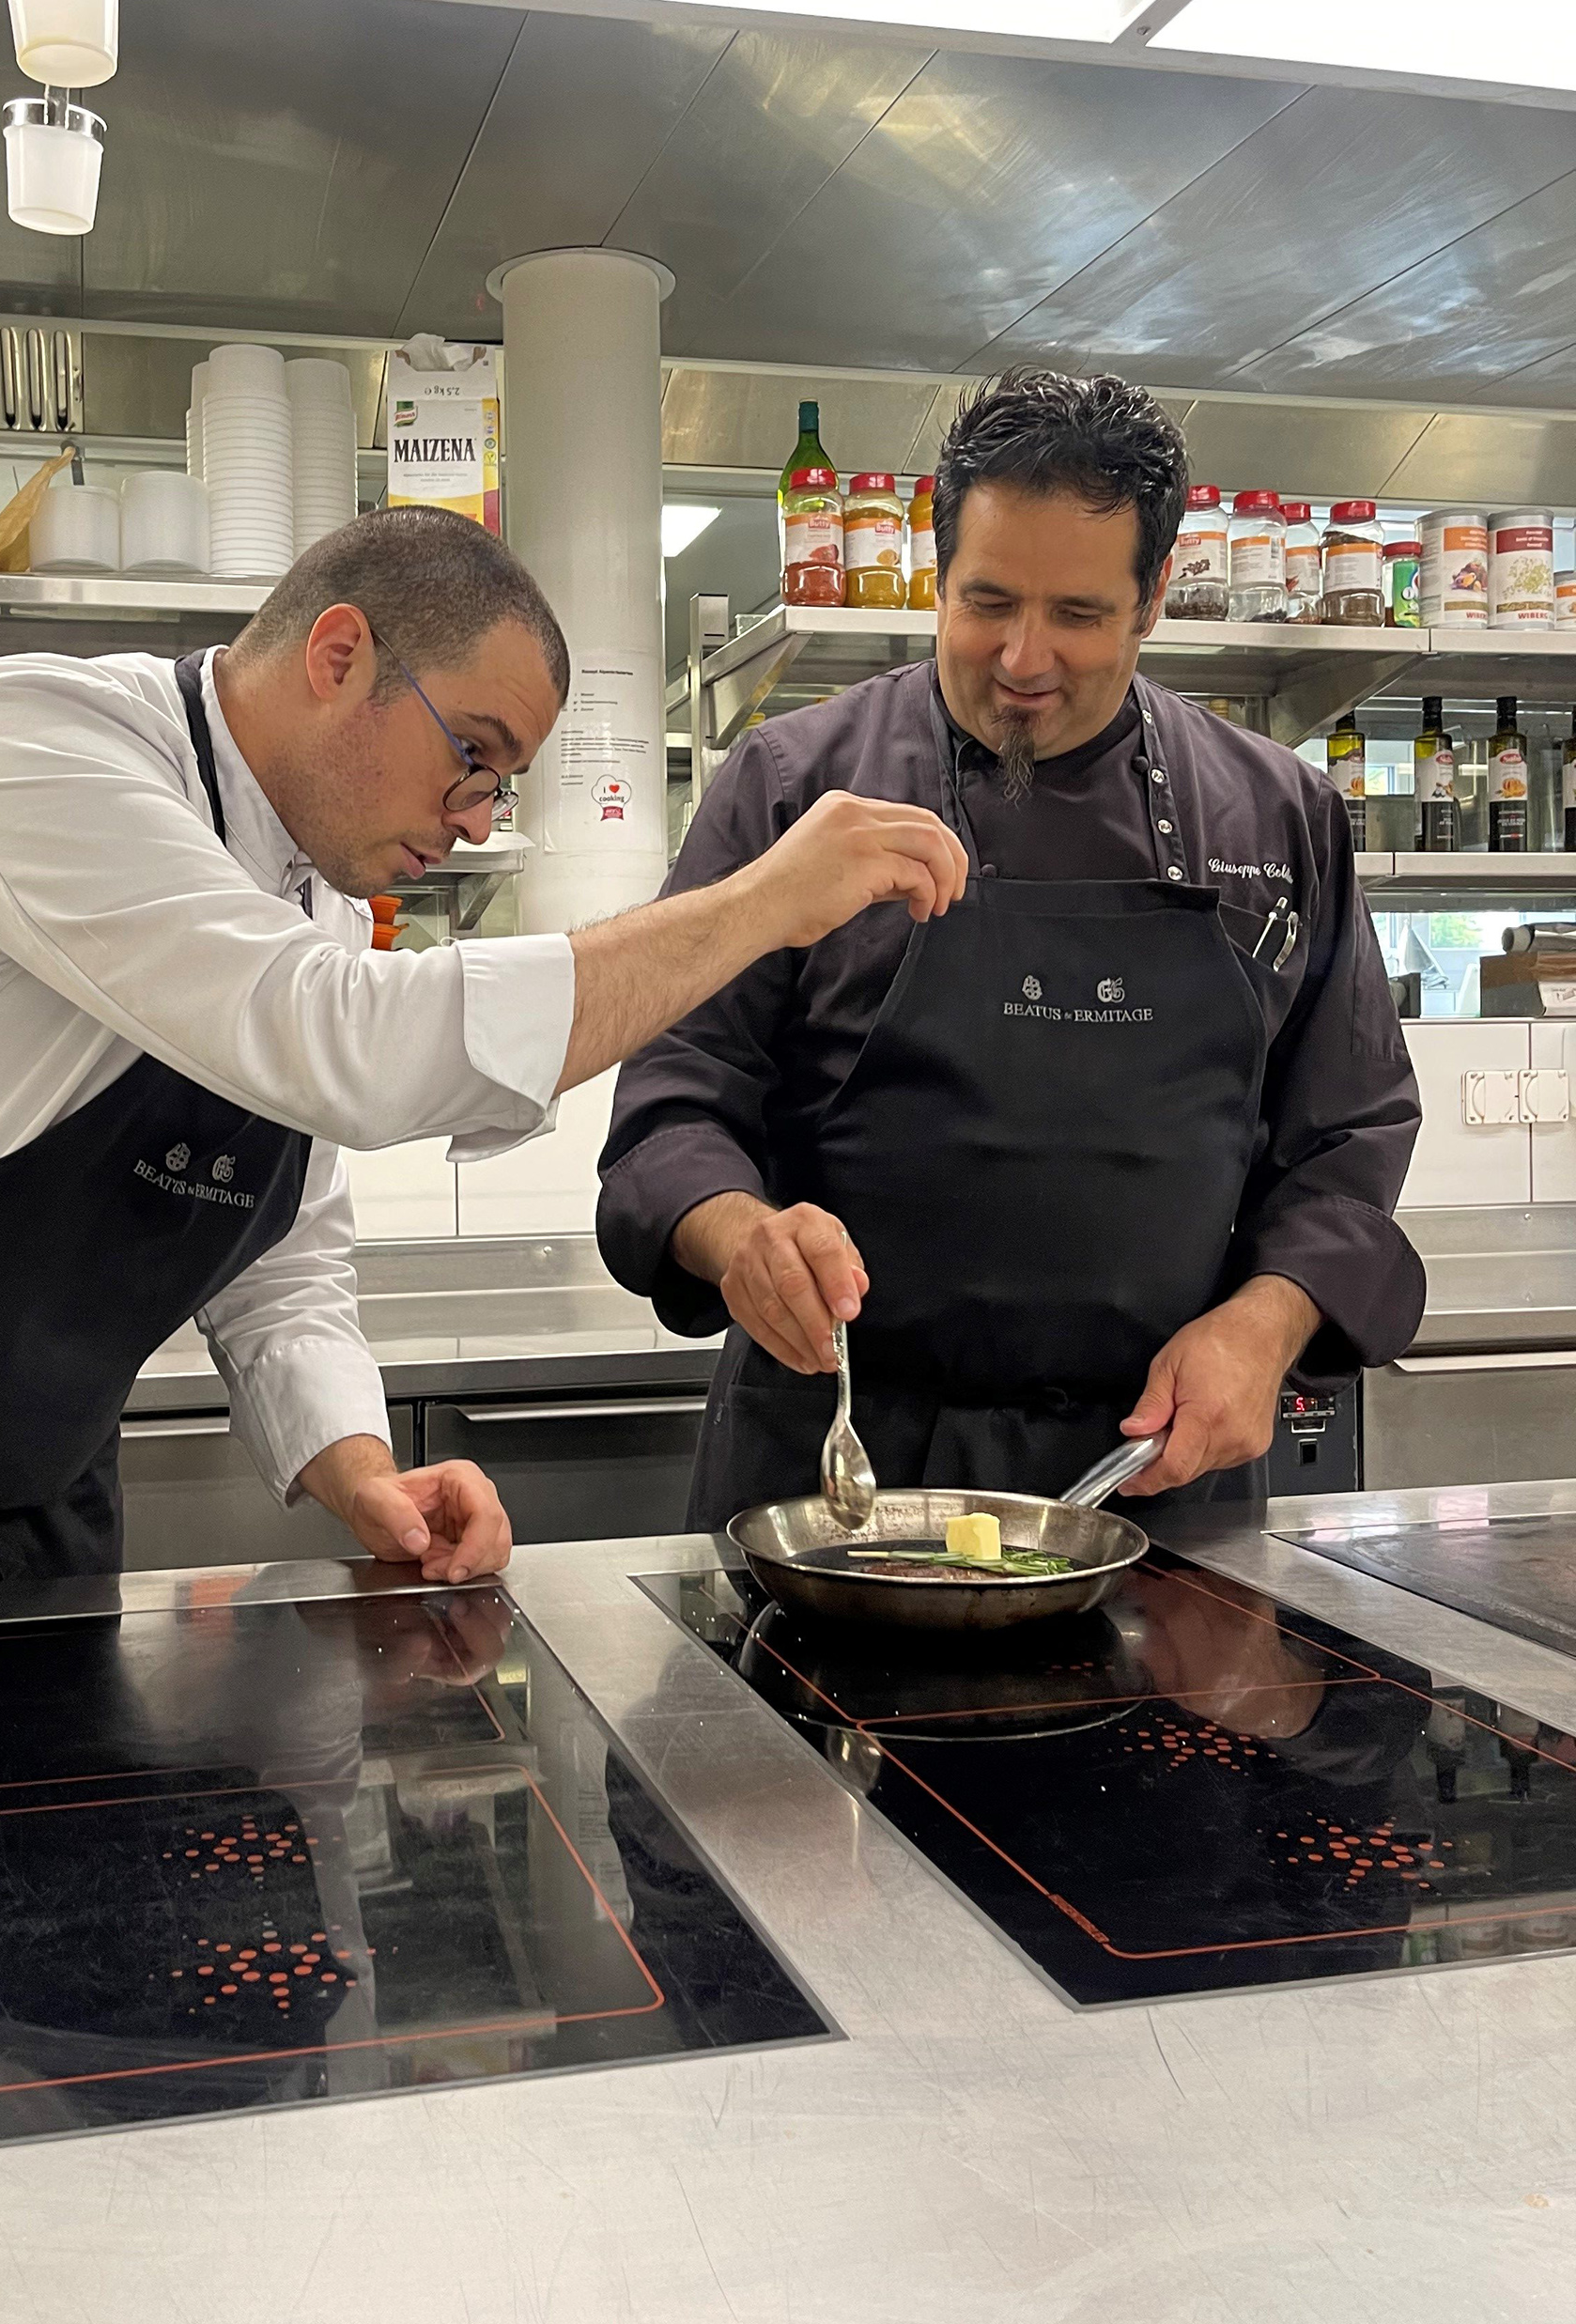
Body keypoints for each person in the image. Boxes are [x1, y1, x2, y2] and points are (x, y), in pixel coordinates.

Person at [0, 505, 966, 1612]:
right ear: (340, 655)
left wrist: (359, 1471)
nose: (473, 814)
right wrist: (761, 901)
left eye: (501, 783)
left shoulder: (310, 896)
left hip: (17, 1520)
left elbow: (280, 1263)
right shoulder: (29, 744)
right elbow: (345, 1049)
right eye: (472, 754)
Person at [596, 371, 1424, 1528]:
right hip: (835, 1481)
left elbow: (1346, 1141)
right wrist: (737, 1234)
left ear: (1152, 602)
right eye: (986, 602)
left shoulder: (1276, 818)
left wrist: (1265, 1322)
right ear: (938, 577)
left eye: (1077, 615)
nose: (1022, 657)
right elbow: (672, 1104)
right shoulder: (792, 788)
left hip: (1150, 1480)